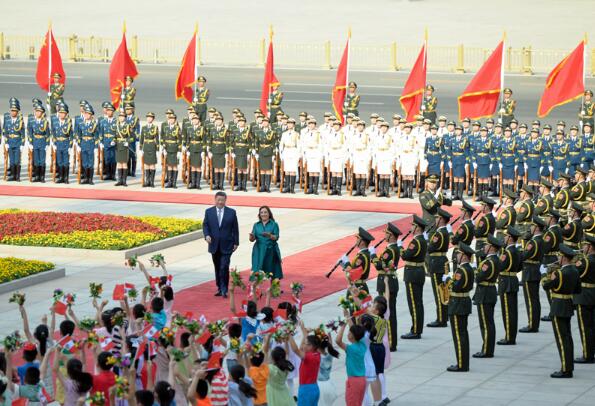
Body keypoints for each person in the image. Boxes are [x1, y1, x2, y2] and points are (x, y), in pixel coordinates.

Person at [542, 244, 581, 378]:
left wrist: (545, 276)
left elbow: (546, 286)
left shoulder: (559, 273)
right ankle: (568, 366)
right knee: (567, 337)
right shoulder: (575, 271)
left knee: (561, 338)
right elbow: (578, 290)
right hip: (568, 305)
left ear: (564, 258)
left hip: (558, 306)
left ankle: (566, 369)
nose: (558, 257)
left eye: (559, 256)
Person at [203, 191, 240, 298]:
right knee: (218, 267)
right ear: (215, 200)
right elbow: (205, 226)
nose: (220, 202)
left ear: (225, 200)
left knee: (224, 266)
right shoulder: (209, 212)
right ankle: (219, 287)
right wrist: (207, 236)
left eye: (222, 200)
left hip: (227, 244)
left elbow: (235, 228)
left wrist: (236, 242)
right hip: (214, 244)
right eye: (218, 200)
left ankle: (224, 289)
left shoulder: (231, 212)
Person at [445, 243, 475, 372]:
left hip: (457, 303)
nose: (456, 255)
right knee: (463, 334)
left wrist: (447, 280)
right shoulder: (468, 268)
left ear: (463, 256)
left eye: (458, 253)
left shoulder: (461, 270)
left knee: (459, 335)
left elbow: (455, 286)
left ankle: (462, 364)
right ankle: (463, 363)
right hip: (463, 302)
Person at [473, 234, 503, 359]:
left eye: (486, 245)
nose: (484, 247)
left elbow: (479, 278)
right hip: (490, 291)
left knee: (486, 323)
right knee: (489, 322)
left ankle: (487, 350)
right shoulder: (496, 260)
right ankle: (488, 349)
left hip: (485, 293)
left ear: (491, 247)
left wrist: (475, 271)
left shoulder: (488, 262)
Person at [401, 215, 429, 339]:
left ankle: (416, 330)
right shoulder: (422, 239)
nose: (411, 227)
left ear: (417, 228)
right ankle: (418, 329)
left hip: (413, 274)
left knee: (414, 303)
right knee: (418, 303)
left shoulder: (416, 241)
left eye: (413, 225)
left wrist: (400, 248)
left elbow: (406, 256)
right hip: (418, 272)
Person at [335, 323, 367, 406]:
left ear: (352, 336)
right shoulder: (363, 345)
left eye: (349, 333)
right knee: (358, 403)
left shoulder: (351, 349)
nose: (347, 334)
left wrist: (343, 327)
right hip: (362, 379)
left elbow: (338, 341)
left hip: (354, 381)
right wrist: (348, 320)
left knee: (351, 403)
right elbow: (357, 331)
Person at [249, 206, 282, 279]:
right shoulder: (256, 225)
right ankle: (254, 289)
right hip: (259, 250)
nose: (263, 214)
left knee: (273, 271)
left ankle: (274, 289)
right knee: (256, 270)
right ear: (259, 214)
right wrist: (251, 237)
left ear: (269, 214)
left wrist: (270, 235)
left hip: (271, 250)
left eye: (265, 212)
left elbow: (276, 237)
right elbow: (252, 239)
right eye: (261, 212)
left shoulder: (274, 224)